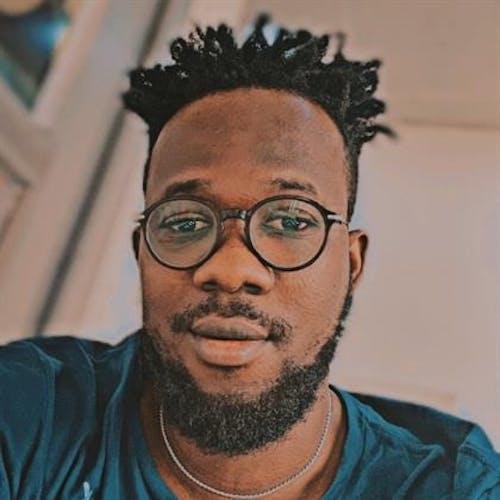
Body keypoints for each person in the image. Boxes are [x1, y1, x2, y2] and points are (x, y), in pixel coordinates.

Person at [1, 16, 499, 499]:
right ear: (142, 253)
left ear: (351, 265)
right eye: (185, 222)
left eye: (290, 221)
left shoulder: (452, 485)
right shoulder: (32, 411)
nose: (230, 268)